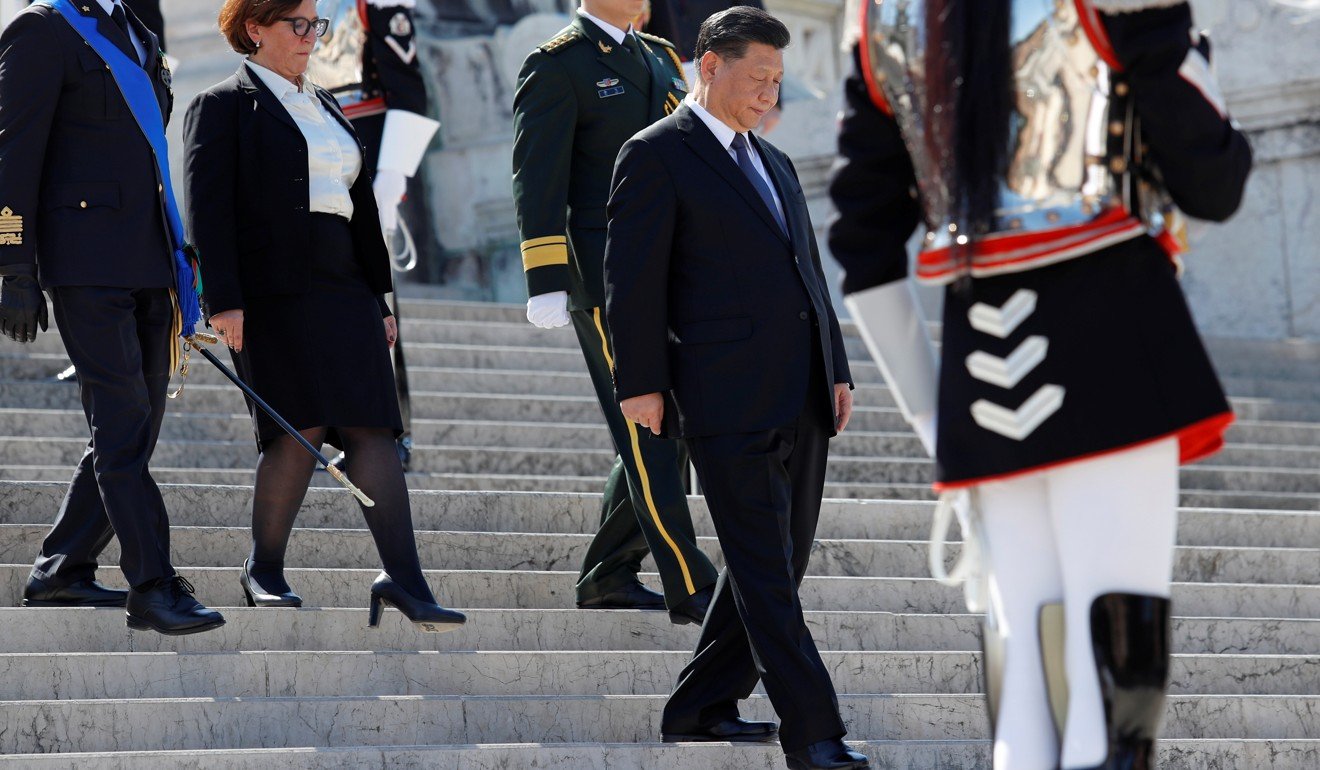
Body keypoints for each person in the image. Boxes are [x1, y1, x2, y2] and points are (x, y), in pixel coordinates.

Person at [829, 1, 1252, 768]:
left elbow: (863, 244)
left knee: (1024, 650)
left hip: (979, 362)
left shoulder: (884, 17)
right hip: (1117, 335)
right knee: (1108, 648)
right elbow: (1214, 181)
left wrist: (935, 423)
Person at [605, 8, 867, 769]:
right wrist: (641, 384)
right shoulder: (654, 155)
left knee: (780, 563)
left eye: (778, 82)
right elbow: (632, 281)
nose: (768, 94)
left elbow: (807, 273)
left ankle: (699, 704)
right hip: (722, 398)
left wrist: (837, 363)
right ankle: (814, 731)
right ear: (709, 66)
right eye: (758, 78)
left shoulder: (776, 162)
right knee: (763, 571)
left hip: (803, 392)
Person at [182, 0, 464, 633]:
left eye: (317, 25)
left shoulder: (328, 104)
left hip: (346, 286)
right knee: (298, 427)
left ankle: (406, 580)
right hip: (272, 290)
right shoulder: (222, 104)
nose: (312, 36)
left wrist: (379, 299)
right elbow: (207, 207)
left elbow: (359, 210)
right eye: (298, 24)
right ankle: (264, 569)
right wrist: (221, 299)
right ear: (255, 29)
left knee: (374, 429)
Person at [0, 0, 224, 635]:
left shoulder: (138, 32)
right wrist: (12, 264)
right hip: (84, 263)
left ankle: (62, 567)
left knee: (137, 426)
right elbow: (12, 151)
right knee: (123, 420)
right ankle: (153, 583)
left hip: (150, 259)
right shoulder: (43, 29)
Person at [512, 0, 719, 624]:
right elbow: (536, 174)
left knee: (671, 419)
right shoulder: (557, 65)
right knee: (648, 425)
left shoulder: (658, 55)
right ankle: (690, 580)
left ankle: (607, 574)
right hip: (603, 275)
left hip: (673, 267)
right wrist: (546, 277)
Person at [308, 0, 438, 471]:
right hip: (305, 143)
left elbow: (407, 86)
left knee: (372, 301)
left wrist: (394, 173)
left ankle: (387, 430)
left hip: (363, 148)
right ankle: (327, 424)